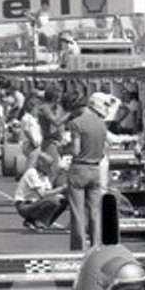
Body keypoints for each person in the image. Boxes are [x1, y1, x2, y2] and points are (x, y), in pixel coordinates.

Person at [65, 92, 112, 250]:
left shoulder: (76, 123)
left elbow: (76, 150)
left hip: (79, 167)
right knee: (95, 211)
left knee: (78, 212)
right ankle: (96, 245)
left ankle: (79, 247)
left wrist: (64, 148)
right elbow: (104, 150)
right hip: (96, 168)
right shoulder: (102, 125)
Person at [13, 152, 68, 231]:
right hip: (24, 205)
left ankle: (43, 222)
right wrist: (62, 188)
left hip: (36, 202)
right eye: (48, 165)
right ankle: (33, 220)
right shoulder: (32, 173)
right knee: (53, 201)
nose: (49, 168)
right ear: (41, 163)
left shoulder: (44, 175)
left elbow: (49, 190)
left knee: (63, 201)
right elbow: (42, 194)